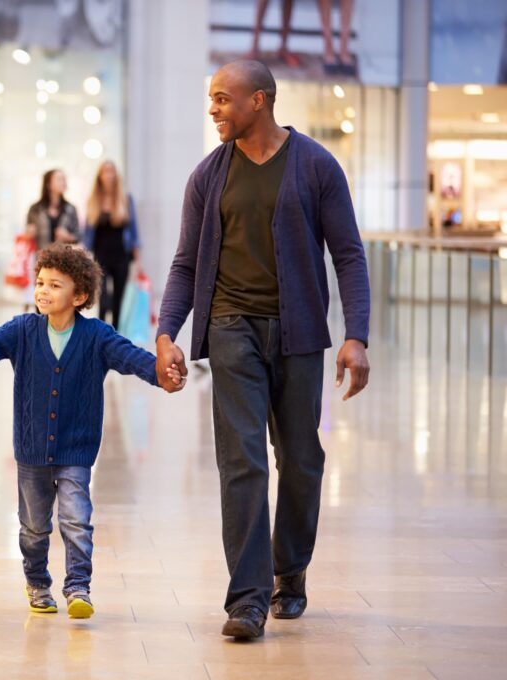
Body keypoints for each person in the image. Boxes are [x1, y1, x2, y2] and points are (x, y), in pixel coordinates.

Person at [155, 60, 370, 640]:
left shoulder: (316, 166)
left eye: (223, 98)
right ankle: (247, 600)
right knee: (241, 460)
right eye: (211, 98)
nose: (213, 108)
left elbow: (348, 254)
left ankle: (289, 573)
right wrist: (166, 332)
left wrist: (357, 334)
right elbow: (184, 263)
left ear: (260, 100)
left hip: (298, 334)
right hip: (230, 328)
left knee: (301, 460)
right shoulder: (208, 176)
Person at [0, 245, 178, 618]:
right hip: (31, 451)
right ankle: (38, 582)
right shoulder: (23, 330)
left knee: (76, 520)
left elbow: (133, 357)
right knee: (33, 528)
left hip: (77, 449)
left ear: (79, 296)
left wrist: (162, 375)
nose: (42, 291)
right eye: (40, 282)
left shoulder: (97, 337)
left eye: (55, 285)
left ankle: (78, 587)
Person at [83, 160, 140, 328]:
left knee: (118, 298)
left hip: (122, 255)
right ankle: (101, 331)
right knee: (103, 297)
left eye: (111, 171)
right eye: (105, 171)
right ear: (99, 176)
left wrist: (138, 260)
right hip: (101, 255)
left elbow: (134, 230)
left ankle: (115, 332)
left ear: (116, 175)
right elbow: (87, 231)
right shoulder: (94, 200)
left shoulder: (125, 199)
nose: (108, 175)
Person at [25, 169, 81, 249]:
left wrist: (67, 236)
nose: (63, 182)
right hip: (40, 257)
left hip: (64, 258)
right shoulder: (35, 209)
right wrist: (29, 234)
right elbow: (27, 235)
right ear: (48, 184)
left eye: (64, 179)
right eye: (59, 179)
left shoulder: (71, 209)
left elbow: (79, 236)